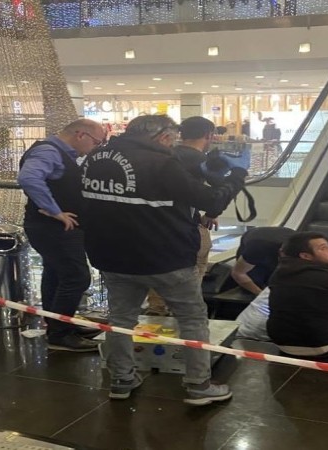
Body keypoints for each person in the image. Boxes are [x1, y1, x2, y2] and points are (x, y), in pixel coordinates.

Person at [81, 114, 249, 405]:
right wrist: (236, 176)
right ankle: (199, 385)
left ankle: (121, 379)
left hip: (111, 256)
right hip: (165, 257)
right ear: (162, 137)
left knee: (120, 320)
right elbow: (211, 201)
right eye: (171, 140)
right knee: (192, 319)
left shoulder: (95, 157)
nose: (173, 145)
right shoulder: (161, 163)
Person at [17, 119, 107, 352]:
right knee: (76, 277)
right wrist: (55, 211)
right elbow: (29, 178)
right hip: (54, 229)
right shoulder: (48, 151)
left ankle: (59, 325)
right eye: (96, 142)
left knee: (56, 275)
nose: (95, 148)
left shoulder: (59, 152)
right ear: (80, 135)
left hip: (54, 228)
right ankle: (60, 334)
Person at [144, 116, 218, 316]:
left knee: (159, 269)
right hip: (187, 226)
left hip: (156, 225)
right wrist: (212, 213)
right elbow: (217, 193)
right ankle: (183, 313)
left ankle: (157, 309)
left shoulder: (164, 155)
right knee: (196, 265)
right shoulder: (201, 160)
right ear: (209, 135)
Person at [231, 226, 295, 295]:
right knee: (253, 283)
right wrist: (261, 295)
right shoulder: (257, 248)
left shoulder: (300, 246)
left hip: (279, 238)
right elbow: (238, 273)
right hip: (257, 239)